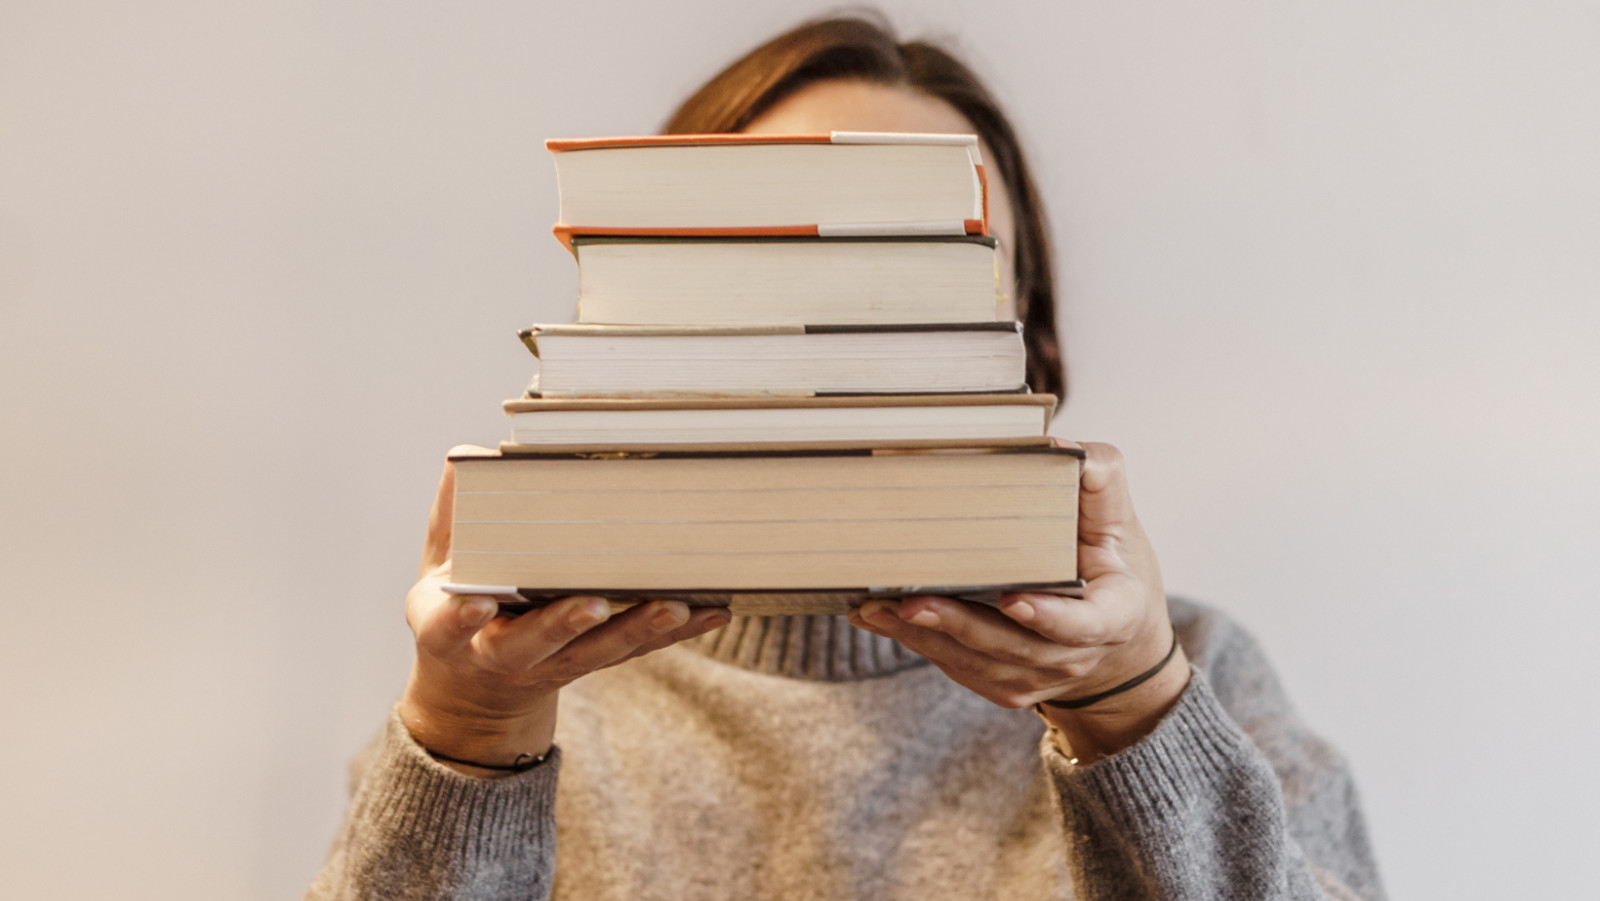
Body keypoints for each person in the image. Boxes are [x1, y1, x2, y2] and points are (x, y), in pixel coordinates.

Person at [307, 15, 1386, 901]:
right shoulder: (519, 688)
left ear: (1031, 354)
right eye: (772, 262)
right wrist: (469, 735)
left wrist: (1132, 711)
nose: (838, 347)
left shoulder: (1196, 677)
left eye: (921, 272)